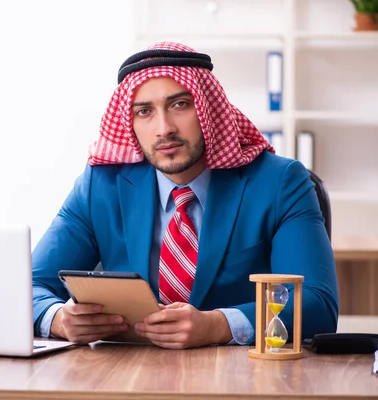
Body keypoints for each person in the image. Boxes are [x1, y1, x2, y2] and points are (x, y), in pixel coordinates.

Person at [31, 41, 338, 349]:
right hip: (128, 376)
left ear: (208, 109)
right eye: (144, 112)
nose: (163, 129)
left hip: (239, 379)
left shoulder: (280, 182)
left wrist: (218, 325)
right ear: (130, 123)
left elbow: (317, 303)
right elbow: (28, 285)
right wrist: (58, 317)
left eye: (180, 105)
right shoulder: (101, 184)